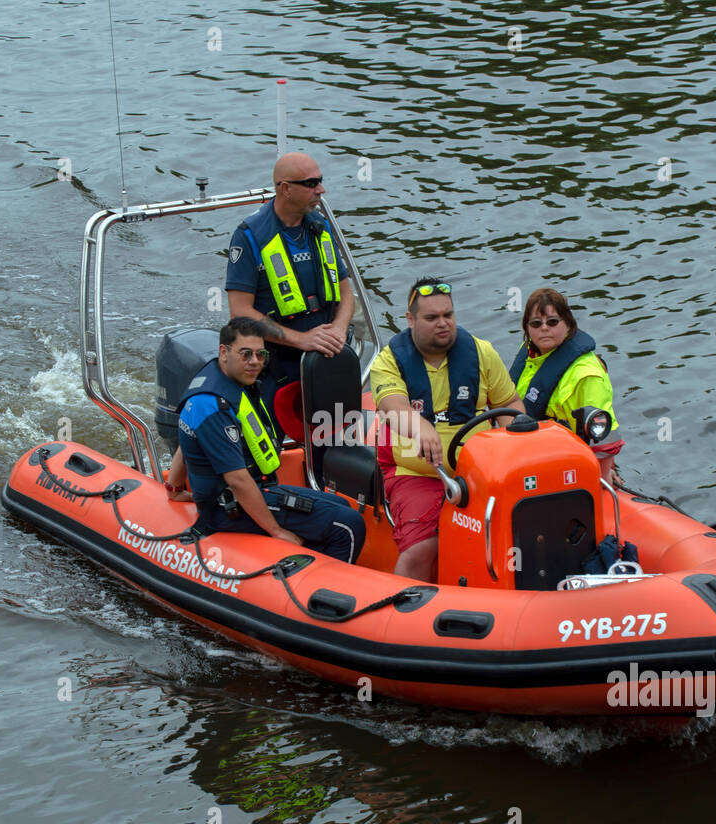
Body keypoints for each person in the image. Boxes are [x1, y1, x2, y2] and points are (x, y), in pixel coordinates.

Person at [165, 318, 365, 564]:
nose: (255, 362)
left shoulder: (220, 381)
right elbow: (238, 480)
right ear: (223, 352)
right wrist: (277, 531)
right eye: (246, 354)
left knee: (338, 502)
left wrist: (174, 486)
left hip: (249, 490)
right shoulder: (214, 405)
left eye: (261, 355)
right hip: (227, 507)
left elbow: (186, 441)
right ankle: (329, 593)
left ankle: (304, 564)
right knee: (348, 525)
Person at [370, 279, 525, 582]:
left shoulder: (482, 353)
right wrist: (420, 426)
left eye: (448, 315)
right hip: (416, 472)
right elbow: (394, 407)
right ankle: (405, 613)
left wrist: (521, 442)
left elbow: (510, 403)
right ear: (410, 320)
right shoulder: (388, 362)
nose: (443, 324)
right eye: (431, 318)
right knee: (421, 549)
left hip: (481, 472)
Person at [225, 152, 356, 416]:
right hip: (277, 368)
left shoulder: (319, 226)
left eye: (320, 181)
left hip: (326, 360)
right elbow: (240, 311)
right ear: (285, 189)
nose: (321, 189)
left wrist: (339, 331)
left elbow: (345, 291)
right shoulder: (249, 236)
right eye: (311, 183)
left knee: (335, 440)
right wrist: (303, 340)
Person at [510, 287, 623, 483]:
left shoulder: (587, 374)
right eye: (536, 323)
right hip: (530, 454)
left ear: (568, 324)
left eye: (552, 322)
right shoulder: (529, 354)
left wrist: (602, 477)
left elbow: (605, 434)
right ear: (527, 328)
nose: (544, 328)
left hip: (574, 464)